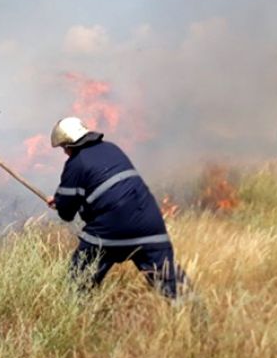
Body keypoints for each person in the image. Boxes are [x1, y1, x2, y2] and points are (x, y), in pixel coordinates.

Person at [48, 116, 186, 299]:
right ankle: (198, 320)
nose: (65, 152)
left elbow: (66, 213)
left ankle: (73, 318)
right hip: (150, 226)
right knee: (174, 286)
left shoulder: (76, 164)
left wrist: (59, 202)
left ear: (70, 144)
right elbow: (111, 190)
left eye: (64, 148)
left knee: (78, 284)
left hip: (110, 229)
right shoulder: (112, 149)